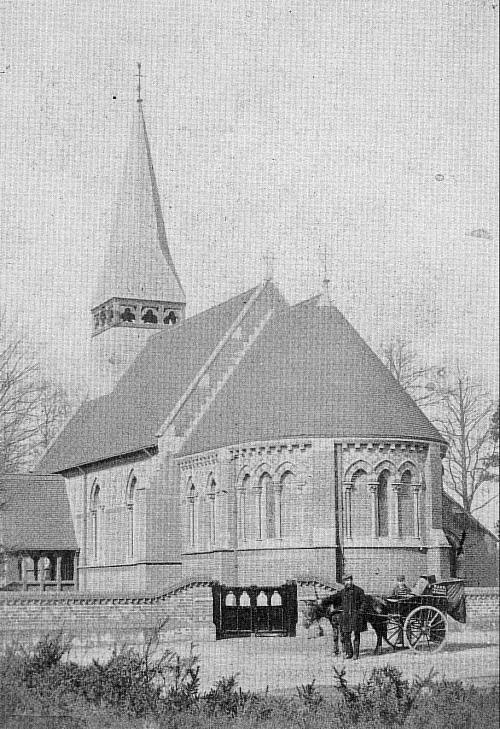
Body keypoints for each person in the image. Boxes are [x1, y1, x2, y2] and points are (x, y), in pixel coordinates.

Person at [339, 573, 367, 660]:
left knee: (356, 635)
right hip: (346, 617)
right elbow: (334, 598)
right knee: (346, 635)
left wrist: (360, 611)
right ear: (344, 582)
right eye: (347, 580)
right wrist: (323, 601)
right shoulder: (342, 592)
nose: (349, 582)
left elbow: (364, 602)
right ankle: (349, 653)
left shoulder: (359, 591)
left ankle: (356, 654)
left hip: (356, 617)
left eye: (350, 580)